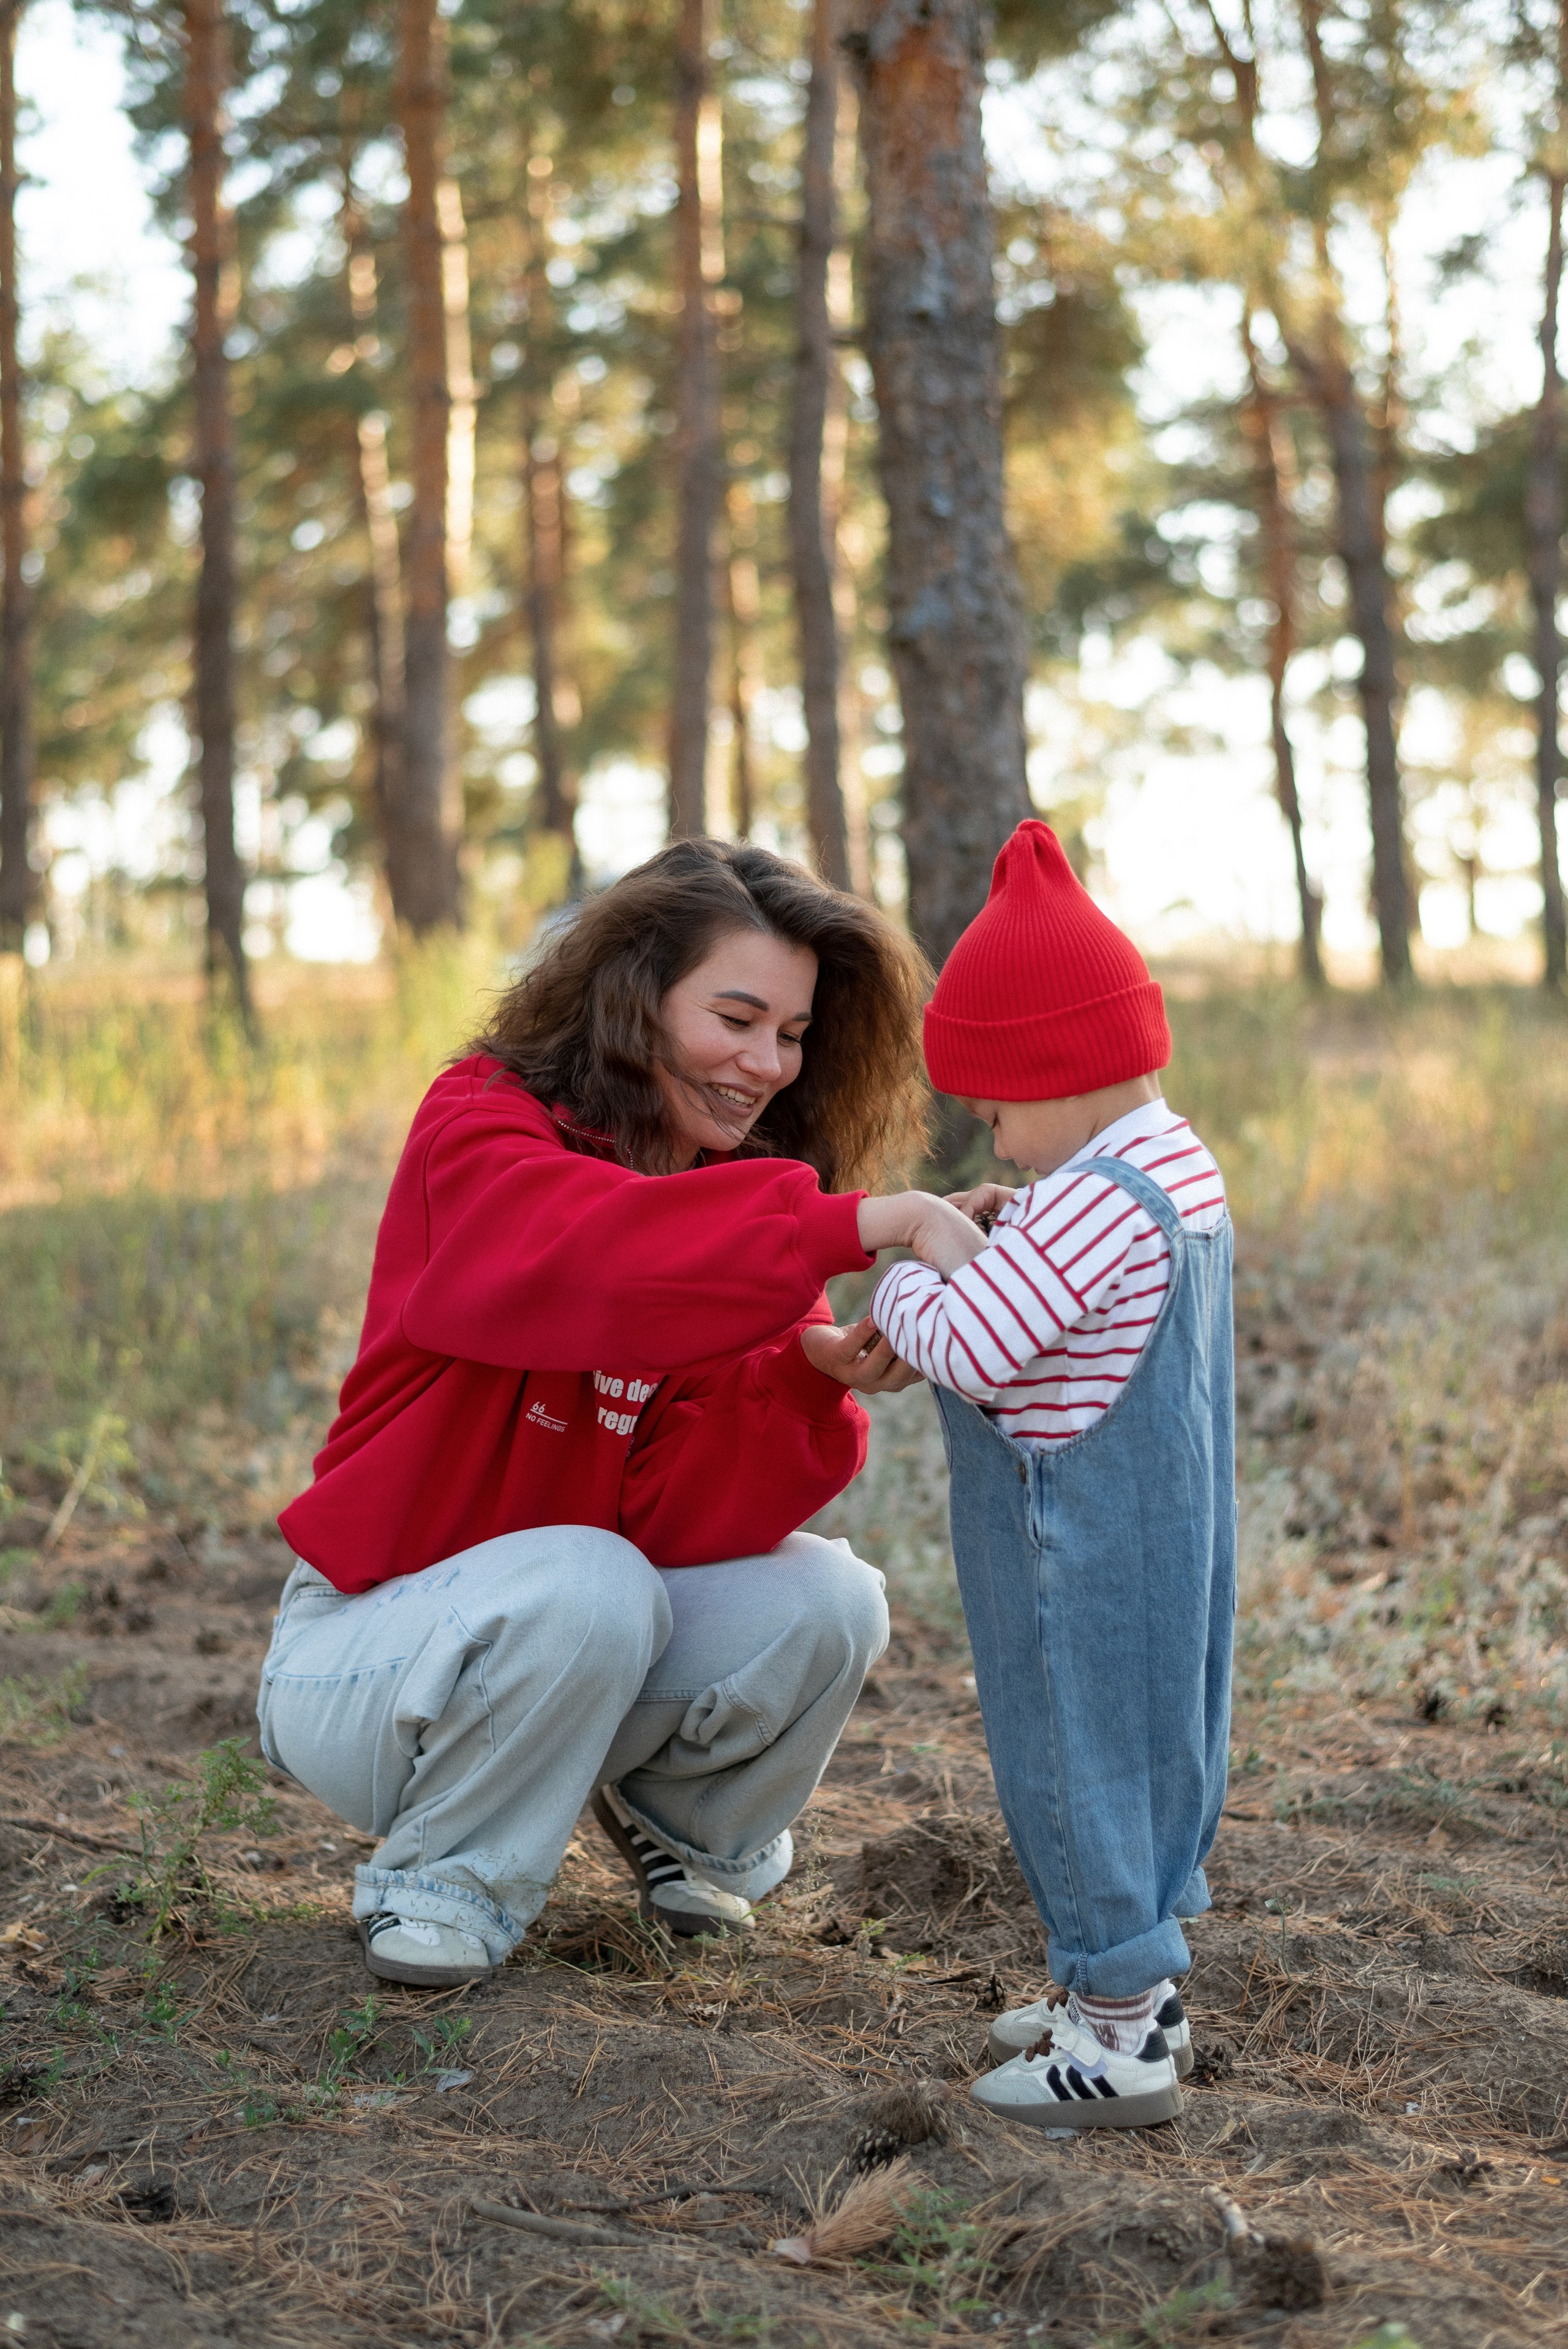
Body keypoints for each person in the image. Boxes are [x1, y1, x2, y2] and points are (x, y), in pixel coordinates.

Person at [259, 839, 981, 1988]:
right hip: (368, 1656)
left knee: (830, 1598)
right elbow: (581, 1255)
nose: (767, 1064)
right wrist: (858, 1222)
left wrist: (807, 1378)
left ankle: (689, 1835)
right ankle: (444, 1877)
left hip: (569, 1644)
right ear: (636, 999)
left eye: (792, 1034)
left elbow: (676, 1519)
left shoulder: (733, 1198)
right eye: (736, 1018)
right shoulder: (483, 1124)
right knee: (590, 1577)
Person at [869, 820, 1234, 2132]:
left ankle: (1116, 2040)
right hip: (1166, 1535)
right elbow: (1068, 1289)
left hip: (1065, 1553)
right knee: (1143, 1755)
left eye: (995, 1106)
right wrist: (1002, 1230)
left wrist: (907, 1268)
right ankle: (1123, 1986)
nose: (988, 1137)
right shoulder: (1167, 1163)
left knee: (1069, 1766)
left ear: (1060, 1069)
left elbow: (971, 1343)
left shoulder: (1087, 1199)